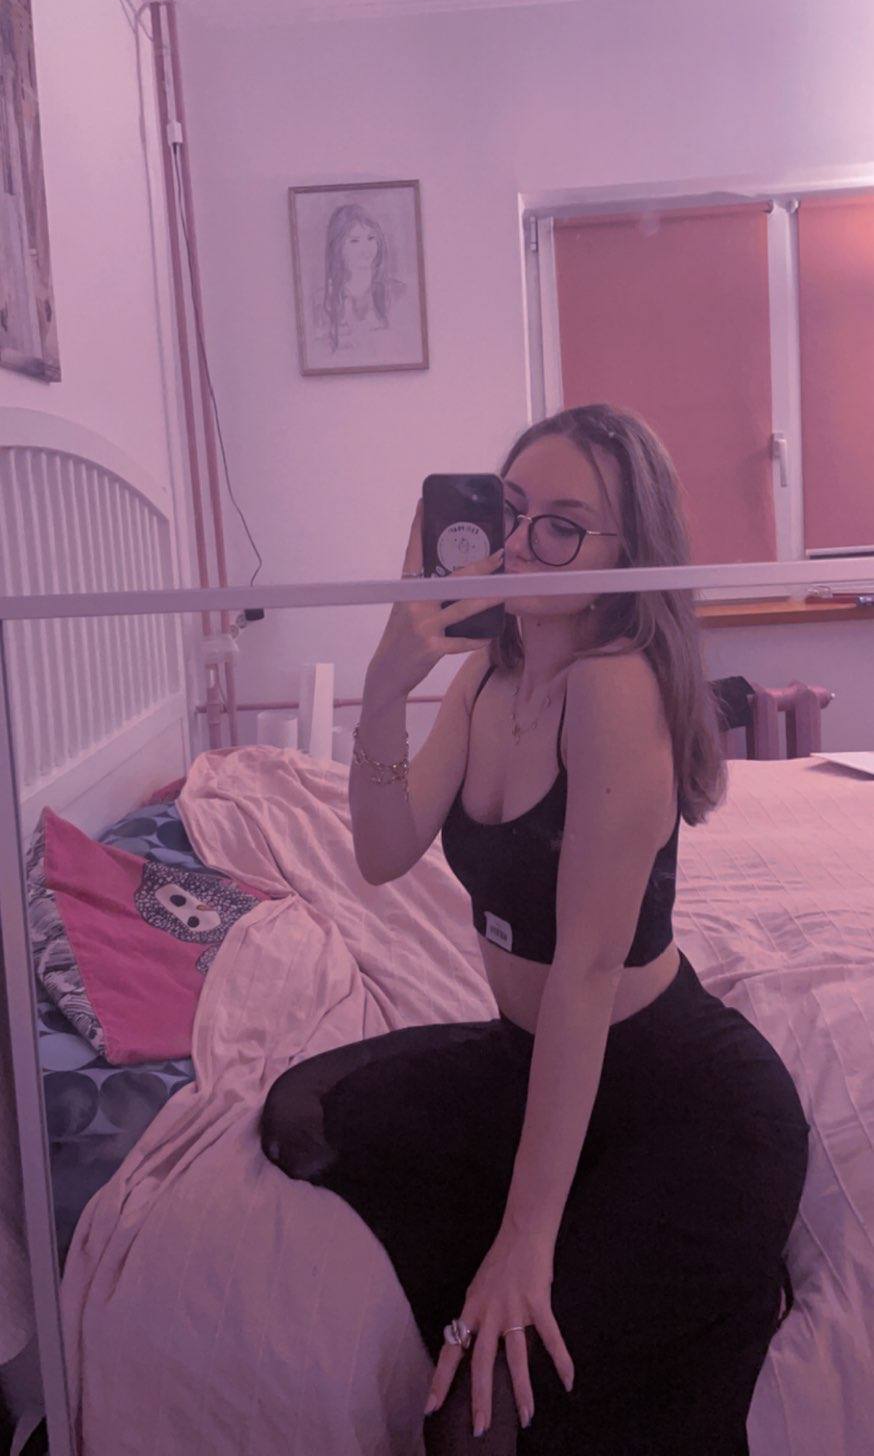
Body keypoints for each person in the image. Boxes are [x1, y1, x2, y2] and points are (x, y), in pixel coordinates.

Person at [260, 403, 811, 1454]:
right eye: (509, 509)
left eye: (561, 524)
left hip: (671, 1094)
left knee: (496, 1413)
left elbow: (585, 975)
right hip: (539, 1061)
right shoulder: (488, 673)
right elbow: (381, 851)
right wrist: (386, 685)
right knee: (327, 1123)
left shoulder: (616, 690)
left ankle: (710, 1265)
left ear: (624, 558)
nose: (517, 542)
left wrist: (525, 1240)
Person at [314, 202, 406, 353]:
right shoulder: (323, 299)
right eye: (354, 241)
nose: (366, 248)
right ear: (338, 247)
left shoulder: (397, 292)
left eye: (371, 238)